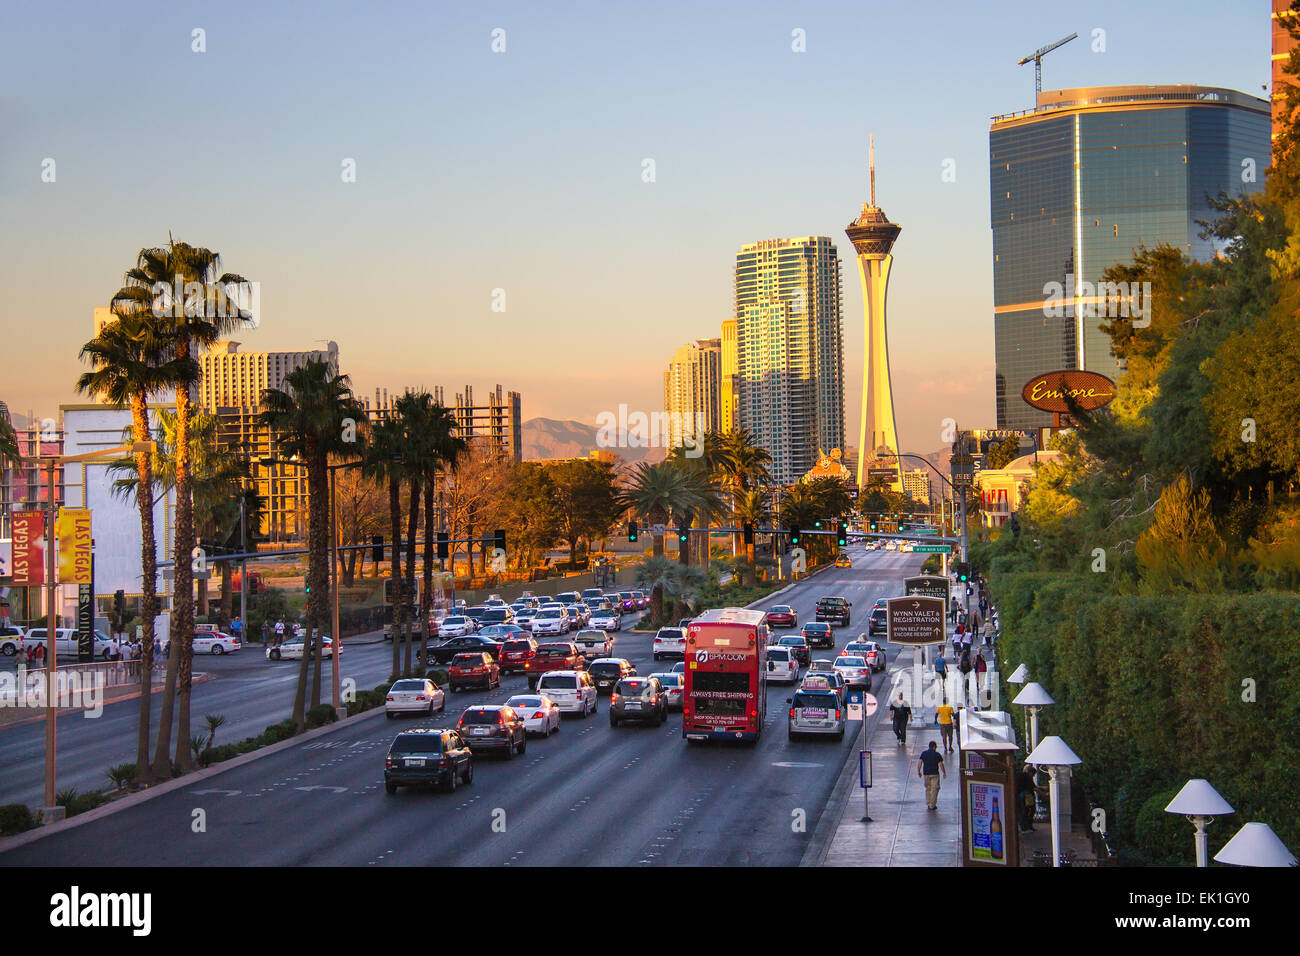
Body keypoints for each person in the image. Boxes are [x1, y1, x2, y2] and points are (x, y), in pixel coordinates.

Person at [918, 741, 946, 810]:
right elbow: (940, 764)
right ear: (934, 747)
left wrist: (918, 771)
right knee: (934, 789)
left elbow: (920, 762)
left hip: (926, 774)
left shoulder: (924, 753)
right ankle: (932, 805)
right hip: (935, 774)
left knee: (928, 788)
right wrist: (944, 772)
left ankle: (928, 802)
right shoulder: (937, 754)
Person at [1015, 764, 1042, 832]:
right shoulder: (1027, 777)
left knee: (1023, 812)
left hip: (1019, 796)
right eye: (1033, 774)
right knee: (1024, 812)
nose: (1033, 776)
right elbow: (1034, 788)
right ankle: (1025, 828)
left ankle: (1025, 827)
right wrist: (1044, 794)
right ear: (1030, 773)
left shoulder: (1019, 774)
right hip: (1022, 797)